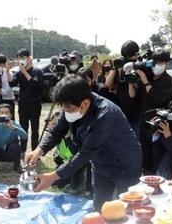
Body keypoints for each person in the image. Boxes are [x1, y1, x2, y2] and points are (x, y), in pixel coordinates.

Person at [25, 75, 142, 211]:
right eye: (64, 108)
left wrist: (52, 177)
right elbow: (56, 131)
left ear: (85, 103)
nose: (66, 112)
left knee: (128, 207)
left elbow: (85, 153)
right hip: (100, 163)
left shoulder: (105, 114)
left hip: (124, 164)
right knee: (100, 205)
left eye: (68, 109)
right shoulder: (73, 103)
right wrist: (38, 150)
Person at [134, 49, 172, 173]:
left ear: (167, 63)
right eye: (155, 62)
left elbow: (158, 100)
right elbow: (135, 98)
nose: (157, 65)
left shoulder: (170, 82)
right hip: (143, 122)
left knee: (157, 155)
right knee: (144, 155)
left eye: (161, 62)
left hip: (158, 124)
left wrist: (146, 82)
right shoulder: (146, 77)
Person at [9, 48, 43, 154]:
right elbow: (11, 83)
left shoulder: (37, 71)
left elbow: (36, 85)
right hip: (23, 104)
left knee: (35, 128)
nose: (21, 60)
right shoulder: (19, 73)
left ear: (28, 58)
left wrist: (25, 72)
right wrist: (6, 71)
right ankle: (22, 150)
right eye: (19, 58)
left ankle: (34, 151)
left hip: (35, 104)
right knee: (23, 128)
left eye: (23, 58)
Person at [105, 40, 141, 132]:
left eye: (131, 55)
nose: (129, 59)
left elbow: (134, 92)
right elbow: (107, 85)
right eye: (126, 56)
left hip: (136, 113)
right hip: (121, 112)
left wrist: (134, 67)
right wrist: (115, 68)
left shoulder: (139, 65)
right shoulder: (120, 67)